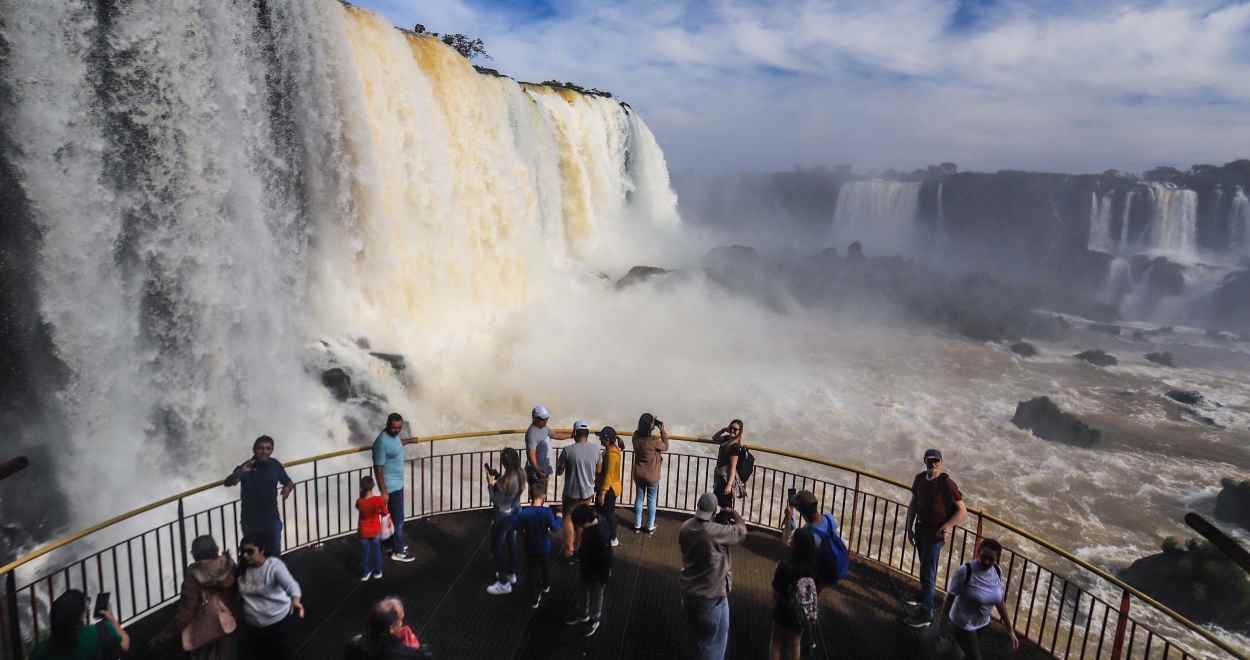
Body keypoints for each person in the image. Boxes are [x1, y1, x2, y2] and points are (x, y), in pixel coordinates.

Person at [678, 493, 747, 660]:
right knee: (710, 647)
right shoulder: (714, 531)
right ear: (714, 511)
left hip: (693, 594)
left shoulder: (685, 527)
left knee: (701, 641)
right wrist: (733, 514)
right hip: (710, 599)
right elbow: (741, 532)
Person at [904, 448, 967, 627]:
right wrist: (909, 527)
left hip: (934, 534)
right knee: (925, 568)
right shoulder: (920, 479)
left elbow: (962, 511)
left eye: (936, 461)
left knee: (928, 573)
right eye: (929, 460)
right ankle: (924, 597)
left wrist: (947, 526)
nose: (933, 463)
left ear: (941, 462)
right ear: (924, 461)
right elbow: (914, 503)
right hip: (921, 529)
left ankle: (927, 613)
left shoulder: (946, 483)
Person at [149, 535, 238, 659]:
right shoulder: (230, 567)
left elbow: (186, 614)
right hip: (231, 628)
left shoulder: (193, 577)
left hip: (206, 635)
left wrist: (162, 637)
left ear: (195, 554)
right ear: (216, 549)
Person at [938, 538, 1019, 659]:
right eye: (984, 556)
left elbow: (1000, 602)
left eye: (991, 559)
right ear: (977, 552)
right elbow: (949, 598)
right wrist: (942, 623)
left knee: (968, 654)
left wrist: (1010, 630)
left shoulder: (997, 571)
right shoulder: (965, 571)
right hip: (963, 624)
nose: (986, 562)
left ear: (997, 560)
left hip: (982, 623)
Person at [224, 435, 293, 558]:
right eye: (261, 448)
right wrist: (241, 472)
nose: (264, 452)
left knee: (274, 555)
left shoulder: (275, 464)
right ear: (254, 450)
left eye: (268, 448)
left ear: (272, 450)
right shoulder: (246, 466)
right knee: (253, 556)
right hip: (250, 522)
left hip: (272, 519)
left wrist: (287, 488)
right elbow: (228, 482)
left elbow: (288, 481)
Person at [237, 535, 304, 660]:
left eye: (250, 551)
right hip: (254, 628)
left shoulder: (273, 566)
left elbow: (291, 585)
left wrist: (296, 601)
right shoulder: (242, 569)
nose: (245, 555)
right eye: (243, 552)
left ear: (262, 551)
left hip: (277, 623)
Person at [31, 589, 128, 660]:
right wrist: (111, 618)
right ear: (80, 615)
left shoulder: (39, 652)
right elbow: (125, 643)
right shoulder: (100, 632)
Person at [769, 528, 819, 660]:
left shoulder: (784, 565)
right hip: (800, 612)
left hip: (783, 608)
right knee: (796, 644)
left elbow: (775, 591)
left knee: (776, 642)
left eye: (793, 538)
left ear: (795, 545)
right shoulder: (812, 569)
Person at [563, 504, 613, 637]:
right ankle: (583, 613)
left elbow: (606, 557)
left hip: (597, 570)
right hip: (588, 566)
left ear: (583, 522)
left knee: (596, 594)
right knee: (584, 589)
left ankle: (594, 618)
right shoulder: (599, 522)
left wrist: (604, 575)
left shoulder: (600, 535)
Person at [374, 413, 415, 562]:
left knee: (393, 517)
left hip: (397, 484)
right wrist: (384, 491)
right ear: (387, 425)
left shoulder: (394, 437)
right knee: (398, 520)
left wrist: (409, 441)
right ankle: (399, 551)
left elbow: (397, 445)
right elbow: (378, 468)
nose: (396, 430)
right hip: (391, 487)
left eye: (399, 428)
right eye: (394, 428)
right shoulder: (381, 442)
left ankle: (391, 543)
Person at [556, 420, 600, 559]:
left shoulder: (568, 451)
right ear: (587, 434)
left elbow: (559, 470)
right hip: (587, 492)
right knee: (582, 519)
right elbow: (598, 470)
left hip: (571, 493)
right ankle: (579, 548)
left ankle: (569, 550)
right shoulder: (596, 450)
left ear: (574, 433)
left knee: (568, 518)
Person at [516, 483, 563, 608]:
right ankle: (546, 585)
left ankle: (534, 599)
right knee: (545, 566)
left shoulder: (524, 512)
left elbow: (518, 527)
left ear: (531, 497)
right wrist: (559, 517)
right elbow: (555, 528)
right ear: (543, 497)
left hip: (530, 546)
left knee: (531, 572)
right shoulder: (547, 512)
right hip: (544, 546)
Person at [485, 447, 524, 595]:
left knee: (497, 548)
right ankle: (512, 573)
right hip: (516, 511)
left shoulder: (505, 481)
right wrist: (499, 478)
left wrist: (490, 484)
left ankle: (503, 582)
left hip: (504, 515)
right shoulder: (521, 473)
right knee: (512, 541)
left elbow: (497, 500)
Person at [345, 596, 429, 660]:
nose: (402, 624)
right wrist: (417, 650)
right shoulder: (409, 654)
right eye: (400, 620)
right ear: (391, 628)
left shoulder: (354, 643)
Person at [630, 413, 669, 534]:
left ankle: (637, 524)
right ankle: (650, 525)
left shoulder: (635, 438)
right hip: (652, 476)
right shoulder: (654, 441)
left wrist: (649, 425)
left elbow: (638, 431)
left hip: (639, 473)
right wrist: (662, 430)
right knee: (651, 500)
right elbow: (666, 446)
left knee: (639, 499)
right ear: (651, 427)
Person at [524, 405, 570, 496]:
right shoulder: (532, 433)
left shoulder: (544, 428)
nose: (545, 421)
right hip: (536, 472)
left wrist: (572, 435)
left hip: (544, 470)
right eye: (543, 419)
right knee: (537, 497)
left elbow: (556, 435)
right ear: (535, 418)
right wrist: (538, 471)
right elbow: (531, 455)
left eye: (546, 418)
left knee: (542, 496)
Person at [594, 426, 625, 547]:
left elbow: (609, 475)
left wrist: (602, 493)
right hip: (610, 487)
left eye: (601, 438)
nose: (600, 440)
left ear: (607, 439)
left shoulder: (612, 454)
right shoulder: (610, 450)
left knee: (608, 513)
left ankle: (612, 537)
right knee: (605, 512)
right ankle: (605, 534)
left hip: (609, 488)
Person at [357, 475, 389, 581]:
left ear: (361, 487)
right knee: (377, 551)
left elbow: (359, 508)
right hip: (375, 529)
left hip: (363, 531)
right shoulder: (378, 500)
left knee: (365, 553)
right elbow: (385, 512)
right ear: (373, 486)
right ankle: (378, 571)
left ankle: (365, 573)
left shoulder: (360, 502)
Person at [711, 420, 745, 509]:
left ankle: (726, 521)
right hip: (719, 474)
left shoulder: (735, 446)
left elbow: (733, 468)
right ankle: (722, 520)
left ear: (740, 431)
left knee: (725, 503)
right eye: (731, 428)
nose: (732, 430)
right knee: (718, 498)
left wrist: (729, 485)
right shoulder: (726, 438)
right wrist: (723, 430)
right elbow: (714, 438)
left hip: (725, 478)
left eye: (735, 429)